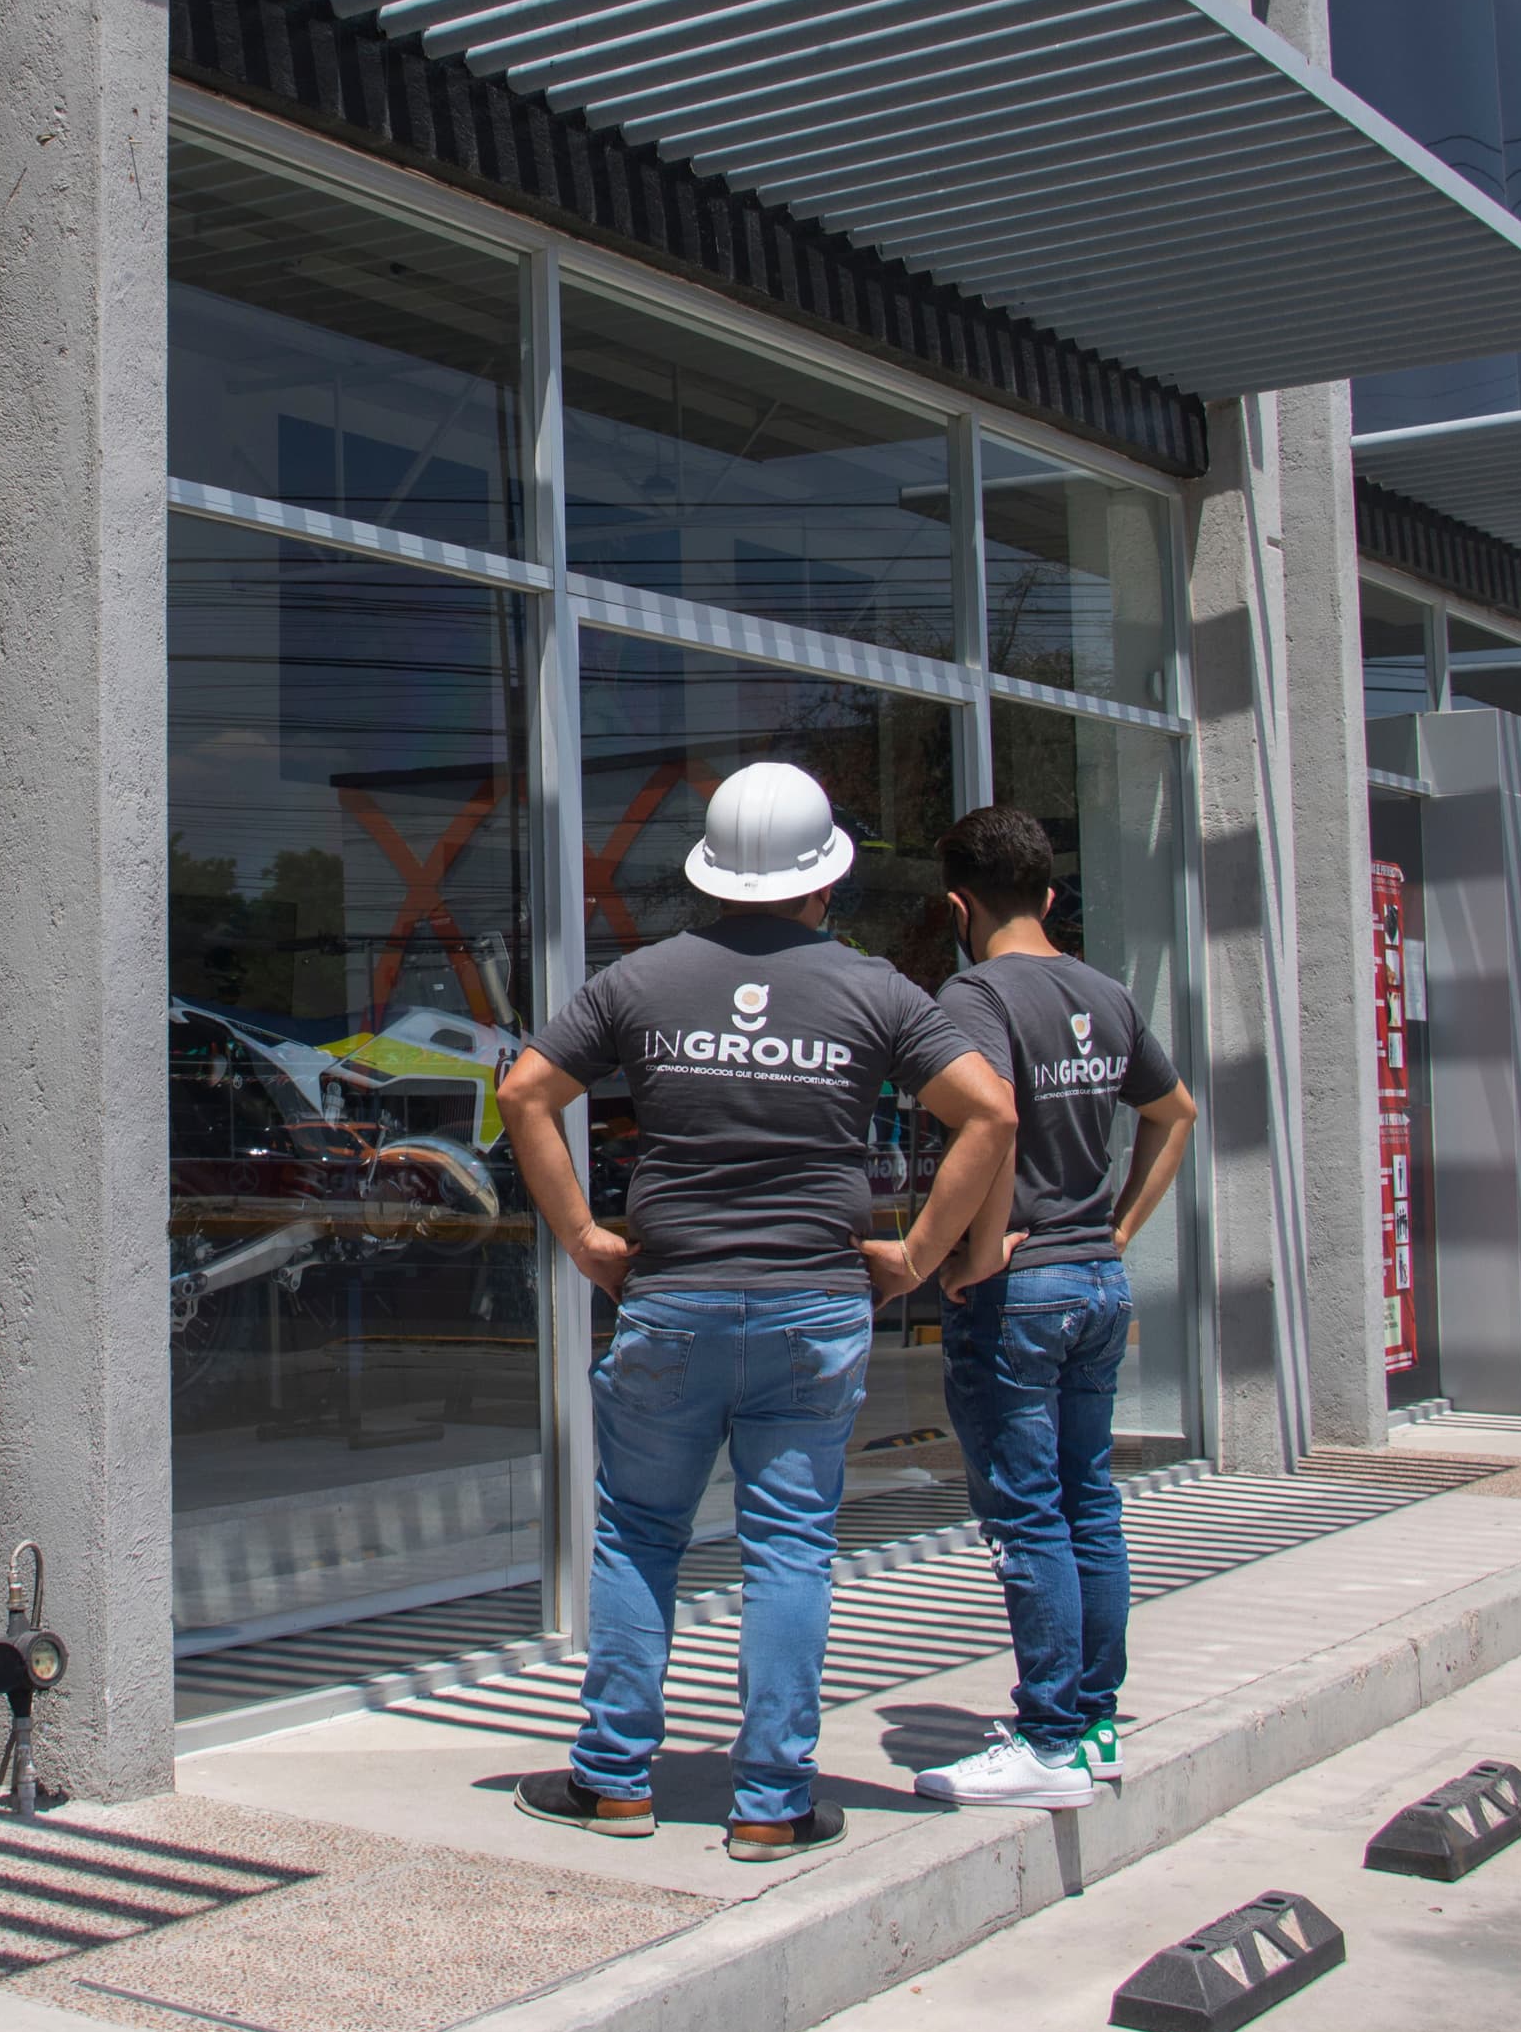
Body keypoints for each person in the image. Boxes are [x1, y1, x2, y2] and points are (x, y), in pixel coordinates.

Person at [495, 761, 1017, 1862]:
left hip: (672, 1299)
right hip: (814, 1307)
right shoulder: (874, 989)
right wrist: (920, 1253)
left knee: (641, 1537)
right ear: (826, 880)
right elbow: (990, 1113)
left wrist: (586, 1235)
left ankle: (616, 1781)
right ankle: (772, 1803)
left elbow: (523, 1091)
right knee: (789, 1551)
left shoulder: (641, 980)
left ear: (712, 879)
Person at [909, 804, 1198, 1811]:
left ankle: (1050, 1737)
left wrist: (975, 1251)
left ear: (958, 904)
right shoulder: (1105, 993)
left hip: (1020, 1291)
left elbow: (993, 1121)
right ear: (1049, 893)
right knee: (1088, 1504)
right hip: (1095, 1283)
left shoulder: (975, 993)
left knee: (1028, 1515)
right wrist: (1118, 1230)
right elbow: (1176, 1113)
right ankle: (1095, 1720)